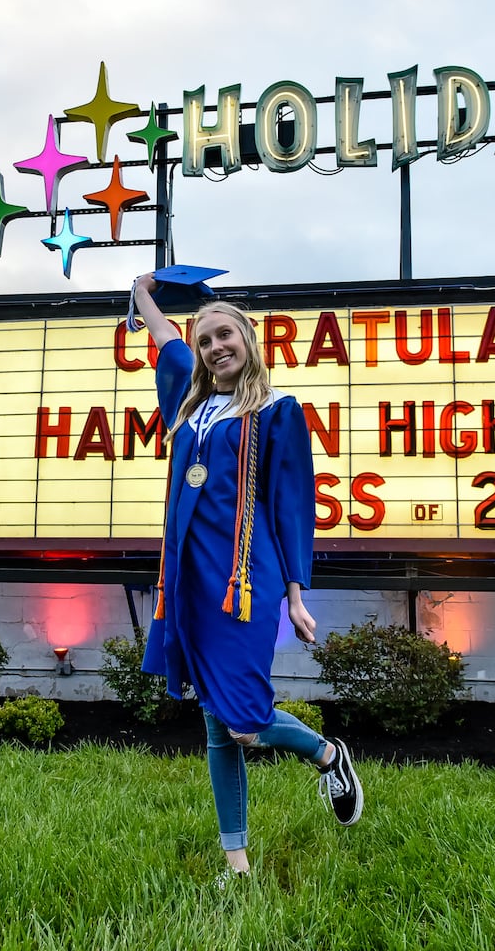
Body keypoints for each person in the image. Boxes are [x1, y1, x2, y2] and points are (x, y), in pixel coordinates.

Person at [131, 271, 364, 880]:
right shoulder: (187, 399)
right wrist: (143, 289)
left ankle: (326, 752)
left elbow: (290, 502)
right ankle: (236, 860)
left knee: (245, 722)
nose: (214, 348)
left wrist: (295, 594)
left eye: (224, 334)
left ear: (248, 340)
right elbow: (164, 339)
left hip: (244, 580)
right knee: (216, 724)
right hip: (186, 577)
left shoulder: (276, 412)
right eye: (205, 340)